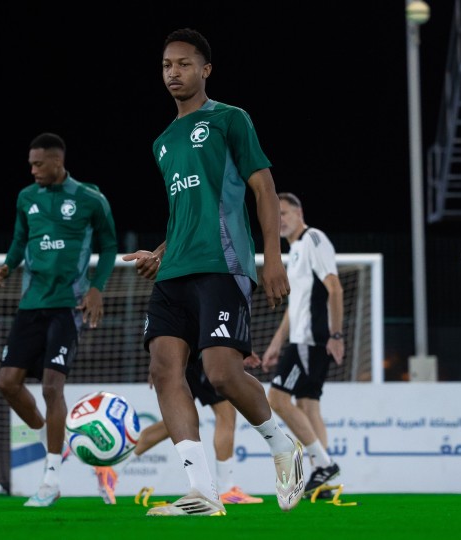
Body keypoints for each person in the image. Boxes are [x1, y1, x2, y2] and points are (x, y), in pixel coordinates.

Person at [122, 28, 304, 517]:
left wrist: (271, 257)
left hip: (223, 264)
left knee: (222, 374)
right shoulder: (162, 142)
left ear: (205, 70)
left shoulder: (229, 119)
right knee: (163, 370)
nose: (173, 73)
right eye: (166, 65)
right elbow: (187, 211)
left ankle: (282, 445)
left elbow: (263, 188)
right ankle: (202, 491)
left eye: (183, 64)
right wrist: (160, 253)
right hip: (174, 272)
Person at [0, 132, 118, 507]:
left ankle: (51, 479)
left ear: (57, 162)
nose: (32, 170)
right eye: (30, 164)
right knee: (7, 383)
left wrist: (97, 289)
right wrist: (7, 266)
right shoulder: (26, 198)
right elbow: (20, 240)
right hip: (32, 303)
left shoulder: (90, 198)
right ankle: (57, 441)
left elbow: (109, 245)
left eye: (38, 164)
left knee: (51, 387)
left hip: (69, 305)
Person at [260, 192, 345, 500]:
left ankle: (324, 464)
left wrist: (336, 335)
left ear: (299, 213)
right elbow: (295, 305)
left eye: (284, 213)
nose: (279, 219)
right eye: (276, 215)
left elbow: (335, 288)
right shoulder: (295, 250)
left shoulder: (313, 239)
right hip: (300, 338)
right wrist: (275, 343)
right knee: (308, 406)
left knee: (277, 399)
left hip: (311, 338)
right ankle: (323, 482)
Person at [101, 354, 266, 505]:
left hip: (185, 359)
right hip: (205, 357)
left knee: (175, 422)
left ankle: (113, 465)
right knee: (226, 415)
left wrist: (159, 361)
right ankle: (226, 489)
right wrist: (239, 348)